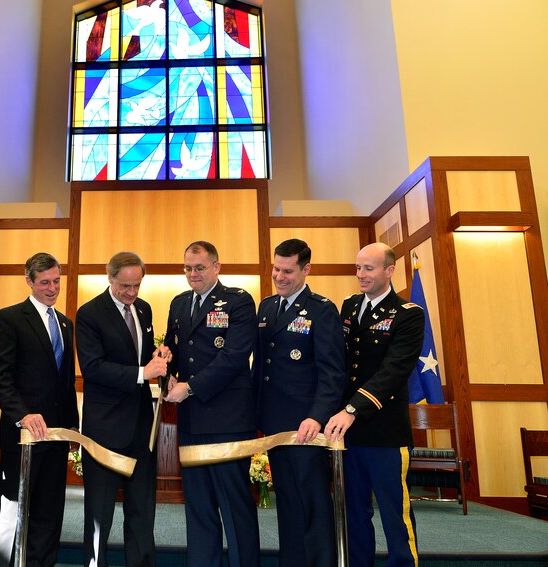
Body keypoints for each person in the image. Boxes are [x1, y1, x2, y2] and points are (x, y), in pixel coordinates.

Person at [324, 242, 425, 567]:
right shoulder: (350, 306)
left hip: (384, 433)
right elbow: (342, 363)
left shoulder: (408, 314)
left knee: (395, 514)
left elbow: (394, 370)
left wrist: (352, 409)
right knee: (354, 513)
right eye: (358, 268)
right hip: (348, 435)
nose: (360, 275)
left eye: (368, 268)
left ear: (389, 270)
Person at [164, 240, 259, 567]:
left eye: (199, 268)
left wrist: (190, 388)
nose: (193, 274)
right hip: (191, 421)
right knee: (199, 506)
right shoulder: (178, 303)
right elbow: (173, 351)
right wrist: (167, 372)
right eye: (188, 268)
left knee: (235, 506)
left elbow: (234, 357)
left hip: (227, 420)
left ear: (216, 267)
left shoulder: (238, 301)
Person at [252, 239, 345, 567]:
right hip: (275, 425)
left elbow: (332, 372)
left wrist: (317, 417)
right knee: (288, 503)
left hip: (307, 426)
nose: (279, 276)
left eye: (288, 270)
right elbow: (259, 367)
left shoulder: (322, 309)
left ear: (306, 269)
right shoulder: (266, 307)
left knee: (314, 504)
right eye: (276, 268)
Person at [75, 251, 169, 567]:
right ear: (110, 278)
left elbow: (138, 357)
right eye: (124, 286)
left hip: (142, 428)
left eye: (136, 285)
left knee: (142, 511)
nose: (130, 293)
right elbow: (93, 368)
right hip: (104, 429)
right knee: (99, 513)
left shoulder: (143, 309)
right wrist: (144, 373)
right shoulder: (90, 313)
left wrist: (158, 356)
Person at [0, 252, 79, 567]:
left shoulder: (65, 323)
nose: (52, 289)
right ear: (29, 281)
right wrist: (22, 414)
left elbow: (65, 382)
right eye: (44, 283)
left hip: (55, 434)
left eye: (56, 281)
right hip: (23, 434)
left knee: (49, 508)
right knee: (13, 505)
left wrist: (72, 426)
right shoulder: (10, 318)